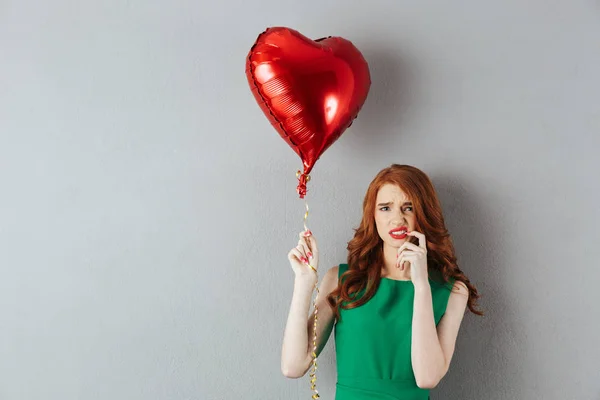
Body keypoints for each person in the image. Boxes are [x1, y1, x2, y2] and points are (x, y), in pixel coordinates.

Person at [281, 164, 483, 399]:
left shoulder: (452, 291)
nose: (397, 218)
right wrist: (304, 283)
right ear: (373, 215)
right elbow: (293, 367)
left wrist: (421, 286)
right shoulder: (341, 279)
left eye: (408, 208)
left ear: (423, 213)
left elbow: (427, 377)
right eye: (385, 208)